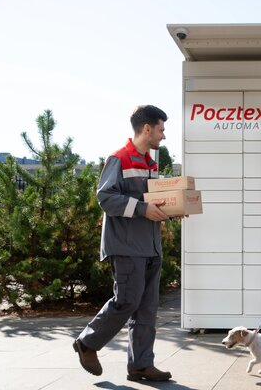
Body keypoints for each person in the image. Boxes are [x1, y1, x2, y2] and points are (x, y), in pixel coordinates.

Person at [73, 105, 175, 382]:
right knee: (127, 300)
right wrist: (143, 209)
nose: (164, 135)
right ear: (147, 128)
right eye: (161, 129)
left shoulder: (150, 163)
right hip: (127, 246)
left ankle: (141, 364)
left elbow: (150, 202)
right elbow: (105, 198)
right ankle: (87, 343)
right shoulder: (119, 158)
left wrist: (172, 209)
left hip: (150, 246)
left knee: (147, 307)